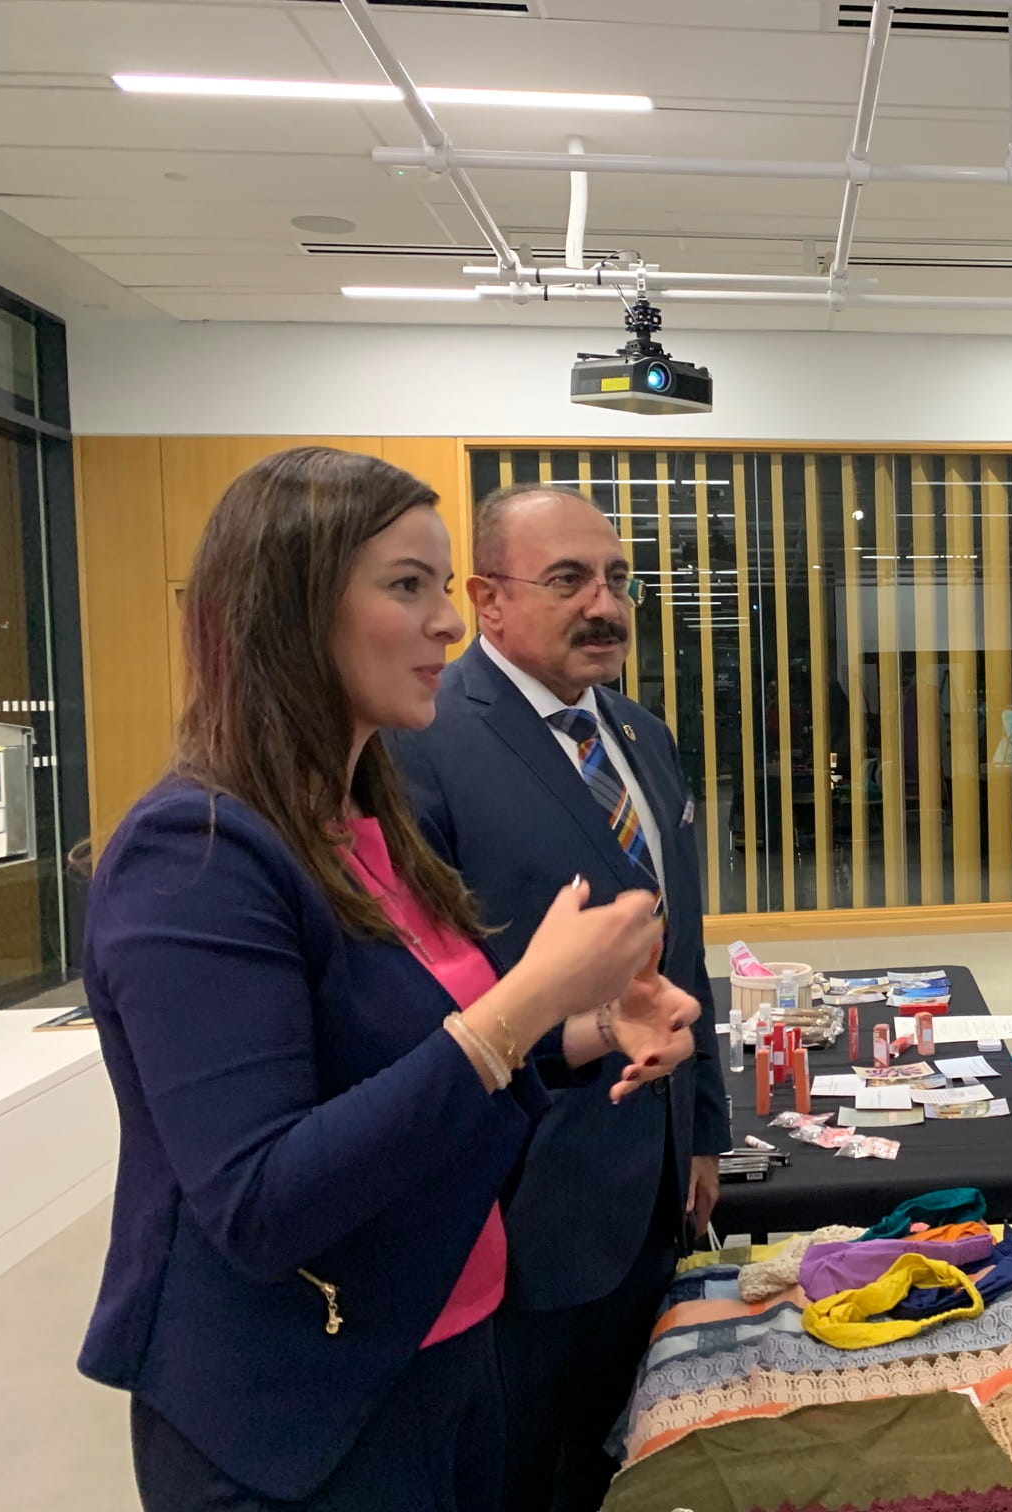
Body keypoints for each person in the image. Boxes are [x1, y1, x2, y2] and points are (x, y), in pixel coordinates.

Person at [77, 447, 703, 1510]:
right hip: (304, 1406)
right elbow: (262, 1199)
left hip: (441, 1347)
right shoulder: (196, 852)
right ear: (290, 607)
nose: (446, 623)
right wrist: (529, 998)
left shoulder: (363, 822)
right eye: (406, 586)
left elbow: (415, 1056)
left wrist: (588, 1024)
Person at [389, 482, 729, 1512]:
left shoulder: (643, 735)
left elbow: (686, 948)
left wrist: (705, 1128)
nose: (607, 605)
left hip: (657, 1171)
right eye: (569, 579)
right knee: (525, 1467)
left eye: (618, 579)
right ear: (486, 600)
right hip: (521, 1194)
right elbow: (418, 990)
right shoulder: (421, 743)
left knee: (624, 1450)